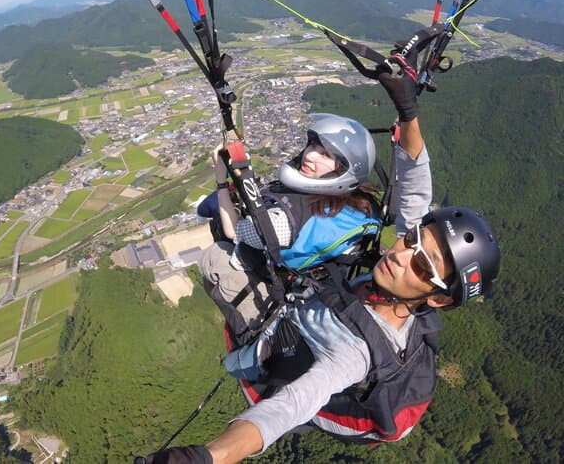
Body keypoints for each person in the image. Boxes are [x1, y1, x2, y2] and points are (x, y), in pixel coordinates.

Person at [139, 66, 501, 464]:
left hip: (279, 347)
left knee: (215, 260)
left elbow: (288, 408)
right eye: (411, 239)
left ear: (438, 300)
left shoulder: (355, 354)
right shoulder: (396, 282)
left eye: (421, 264)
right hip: (309, 299)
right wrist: (407, 109)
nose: (400, 254)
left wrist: (207, 457)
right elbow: (416, 182)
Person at [197, 113, 382, 345]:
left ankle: (242, 328)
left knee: (211, 256)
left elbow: (234, 231)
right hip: (317, 275)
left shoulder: (285, 221)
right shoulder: (362, 205)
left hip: (278, 284)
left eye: (325, 154)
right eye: (314, 144)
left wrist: (221, 180)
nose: (310, 154)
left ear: (342, 171)